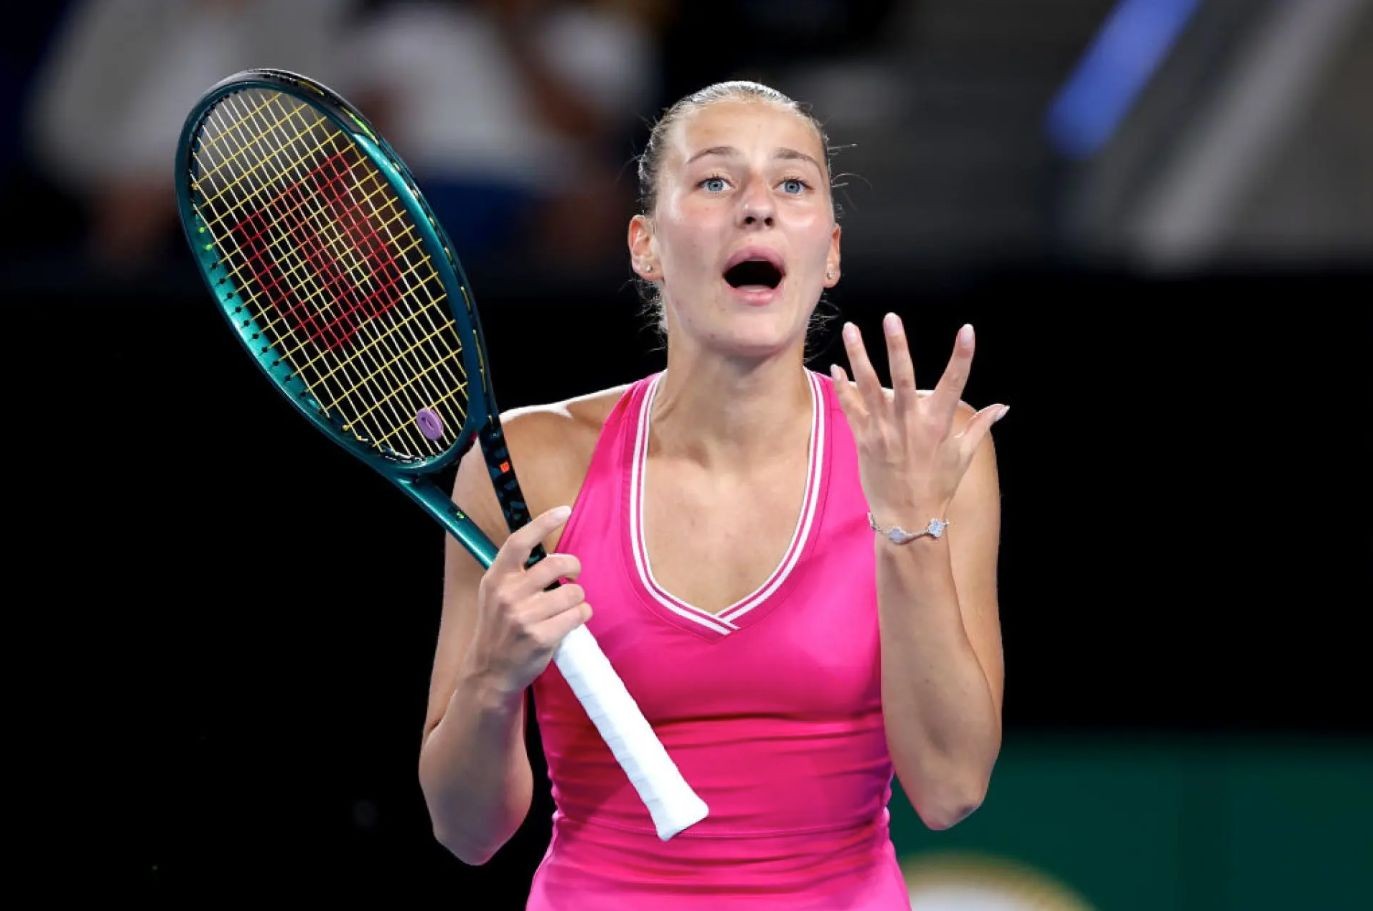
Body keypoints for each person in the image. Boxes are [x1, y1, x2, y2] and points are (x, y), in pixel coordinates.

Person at [418, 80, 1008, 910]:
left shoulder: (932, 450)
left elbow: (950, 788)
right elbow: (465, 829)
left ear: (829, 252)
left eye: (792, 183)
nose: (756, 206)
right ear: (646, 245)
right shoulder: (526, 464)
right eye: (714, 181)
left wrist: (909, 529)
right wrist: (491, 677)